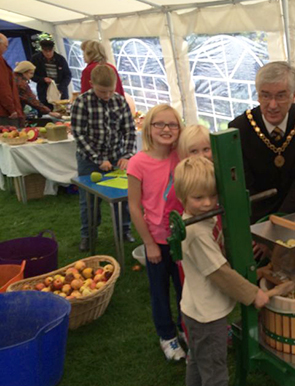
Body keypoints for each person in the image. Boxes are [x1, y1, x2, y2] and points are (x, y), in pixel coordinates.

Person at [174, 156, 269, 386]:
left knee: (197, 361)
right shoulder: (196, 233)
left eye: (212, 196)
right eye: (198, 198)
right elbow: (220, 273)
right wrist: (253, 294)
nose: (207, 203)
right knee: (215, 373)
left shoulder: (199, 220)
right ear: (182, 197)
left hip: (194, 310)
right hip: (207, 318)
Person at [228, 61, 295, 223]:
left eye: (281, 96)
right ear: (258, 95)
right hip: (259, 219)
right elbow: (246, 186)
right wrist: (265, 228)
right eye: (265, 95)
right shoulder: (240, 129)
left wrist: (281, 222)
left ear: (293, 95)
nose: (272, 105)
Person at [127, 104, 186, 361]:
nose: (166, 129)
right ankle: (167, 335)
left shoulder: (182, 156)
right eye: (159, 124)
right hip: (157, 242)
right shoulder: (138, 163)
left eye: (172, 124)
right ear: (148, 128)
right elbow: (134, 205)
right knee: (160, 291)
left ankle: (187, 328)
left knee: (186, 287)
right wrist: (148, 242)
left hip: (182, 239)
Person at [71, 64, 136, 252]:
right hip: (89, 160)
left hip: (116, 157)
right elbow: (79, 135)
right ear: (91, 84)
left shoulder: (119, 101)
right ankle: (88, 235)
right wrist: (98, 159)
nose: (107, 95)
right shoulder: (82, 103)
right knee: (88, 200)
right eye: (102, 91)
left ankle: (124, 230)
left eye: (110, 91)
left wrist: (127, 155)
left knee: (122, 197)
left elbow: (129, 131)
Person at [31, 39, 71, 108]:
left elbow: (68, 75)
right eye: (45, 51)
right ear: (42, 50)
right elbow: (32, 75)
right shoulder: (35, 59)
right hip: (44, 92)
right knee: (47, 112)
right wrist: (43, 79)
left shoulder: (60, 59)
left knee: (63, 112)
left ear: (53, 49)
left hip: (60, 91)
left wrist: (61, 88)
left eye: (50, 51)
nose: (48, 53)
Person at [0, 33, 24, 127]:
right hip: (5, 113)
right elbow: (3, 87)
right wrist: (12, 109)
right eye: (6, 46)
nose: (6, 49)